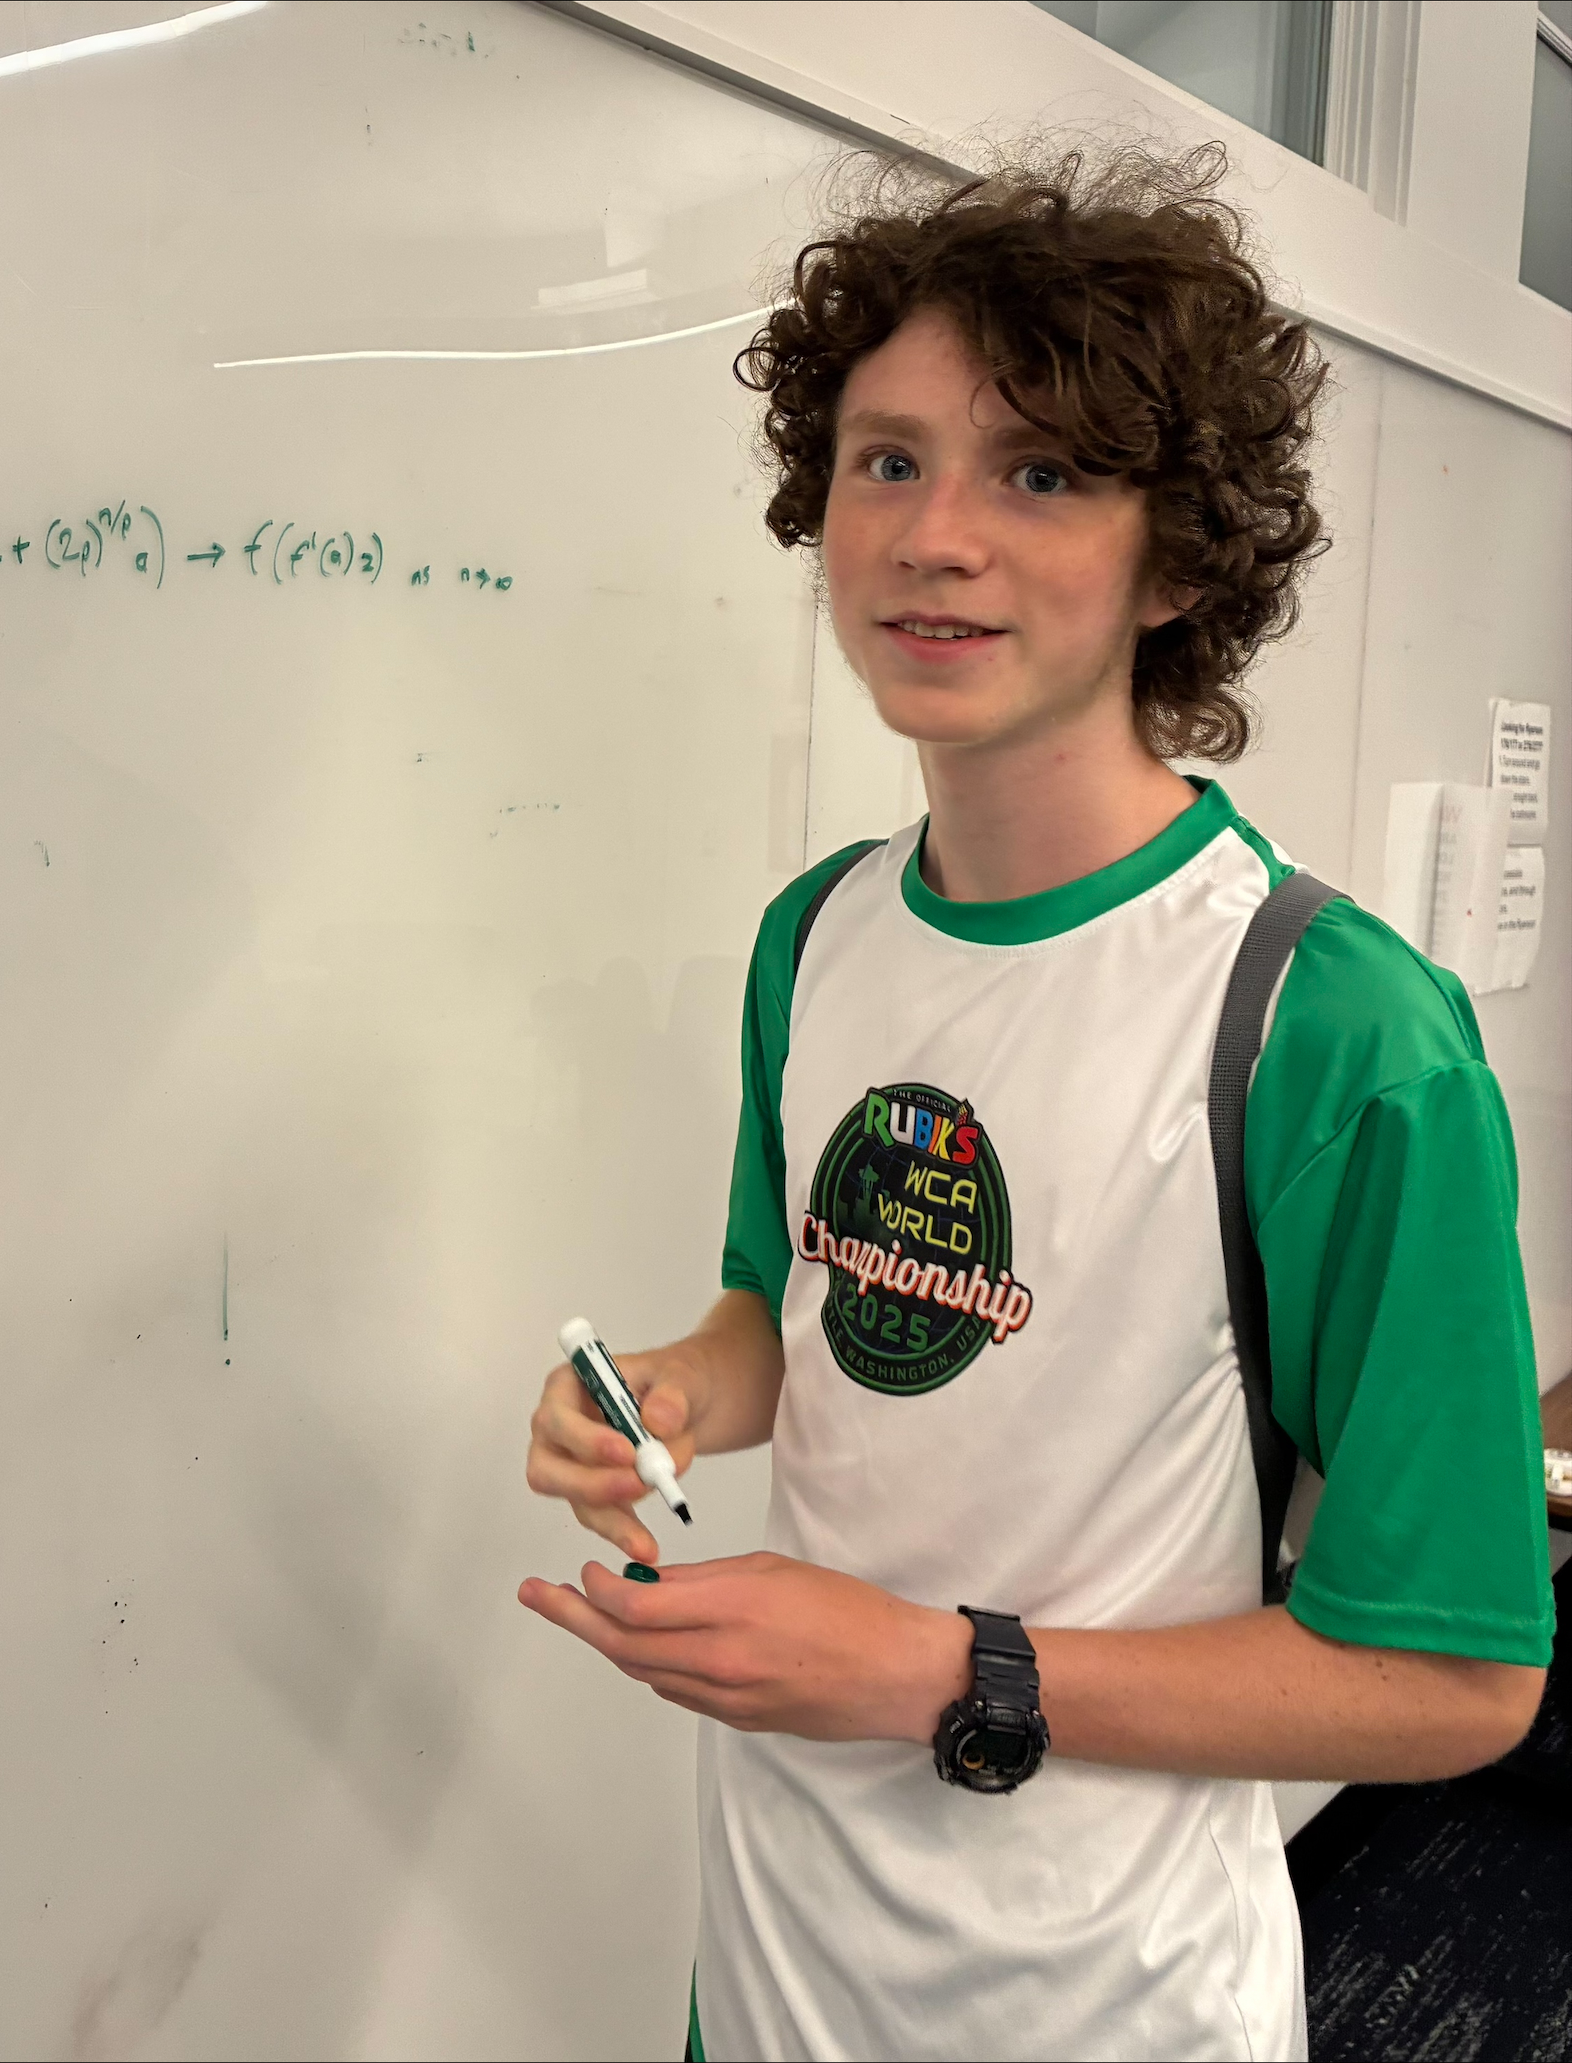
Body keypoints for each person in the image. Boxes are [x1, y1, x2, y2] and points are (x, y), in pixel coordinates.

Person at [518, 143, 1552, 2063]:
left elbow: (1448, 1680)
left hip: (1099, 2000)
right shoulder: (813, 937)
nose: (934, 535)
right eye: (886, 459)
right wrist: (669, 1383)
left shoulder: (1328, 1028)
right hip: (772, 1962)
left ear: (1178, 559)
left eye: (1043, 473)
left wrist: (930, 1670)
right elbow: (795, 1319)